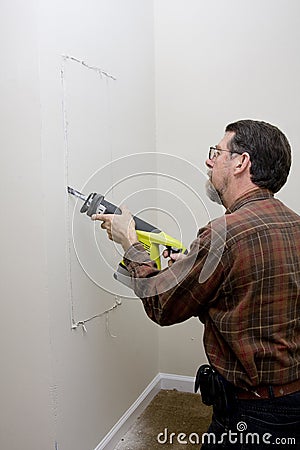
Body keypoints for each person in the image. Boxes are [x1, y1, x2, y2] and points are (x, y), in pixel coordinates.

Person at [92, 120, 300, 449]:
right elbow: (245, 293)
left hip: (251, 413)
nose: (209, 161)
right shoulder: (293, 223)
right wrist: (191, 269)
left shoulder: (224, 233)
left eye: (217, 152)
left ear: (241, 163)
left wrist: (129, 242)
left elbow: (162, 305)